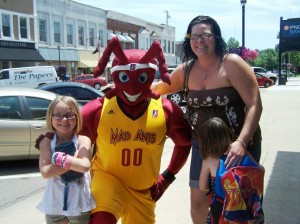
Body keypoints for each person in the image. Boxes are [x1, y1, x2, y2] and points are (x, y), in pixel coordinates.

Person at [151, 15, 262, 223]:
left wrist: (242, 142)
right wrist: (121, 89)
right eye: (194, 36)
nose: (199, 40)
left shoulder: (232, 64)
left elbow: (255, 104)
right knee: (198, 201)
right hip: (202, 144)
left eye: (205, 35)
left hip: (237, 146)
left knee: (238, 204)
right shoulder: (186, 70)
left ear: (216, 37)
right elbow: (158, 89)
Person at [79, 37, 192, 224]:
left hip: (143, 190)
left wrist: (167, 177)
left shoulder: (166, 110)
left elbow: (184, 142)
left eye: (141, 78)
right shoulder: (99, 108)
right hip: (108, 179)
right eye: (124, 78)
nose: (132, 87)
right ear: (116, 76)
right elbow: (71, 134)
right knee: (102, 220)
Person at [35, 95, 95, 224]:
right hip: (54, 205)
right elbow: (46, 172)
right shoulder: (46, 142)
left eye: (70, 115)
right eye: (58, 115)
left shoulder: (83, 140)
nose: (64, 120)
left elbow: (84, 166)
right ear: (50, 117)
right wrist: (73, 160)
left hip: (79, 203)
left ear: (77, 117)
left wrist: (59, 160)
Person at [198, 117, 264, 224]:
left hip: (220, 207)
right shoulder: (243, 154)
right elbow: (261, 170)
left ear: (207, 143)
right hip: (246, 206)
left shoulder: (209, 160)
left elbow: (202, 186)